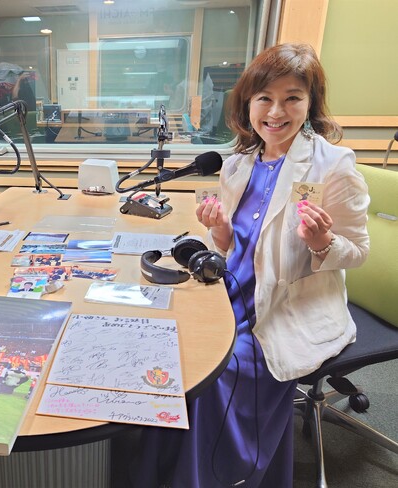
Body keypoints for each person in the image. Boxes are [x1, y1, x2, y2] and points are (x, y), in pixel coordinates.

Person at [130, 43, 370, 487]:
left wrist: (323, 243)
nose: (276, 112)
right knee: (163, 347)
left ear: (310, 103)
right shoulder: (238, 165)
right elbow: (232, 248)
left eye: (292, 98)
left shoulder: (333, 166)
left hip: (286, 309)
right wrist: (220, 231)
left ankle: (214, 477)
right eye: (265, 98)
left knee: (213, 374)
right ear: (248, 104)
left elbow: (357, 249)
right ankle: (157, 469)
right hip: (228, 293)